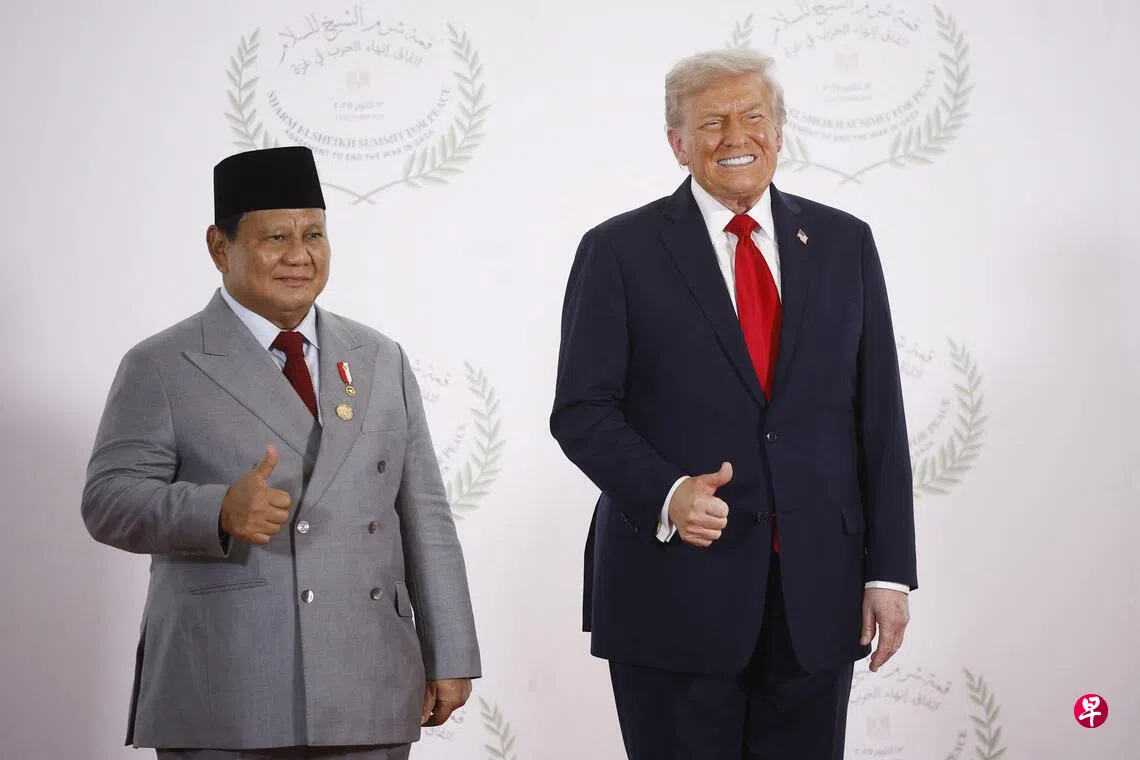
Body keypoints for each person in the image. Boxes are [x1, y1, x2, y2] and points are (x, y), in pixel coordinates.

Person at [549, 50, 917, 759]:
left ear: (779, 131)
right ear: (677, 143)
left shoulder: (844, 242)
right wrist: (668, 492)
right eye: (711, 123)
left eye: (752, 117)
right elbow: (581, 410)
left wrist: (888, 572)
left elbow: (879, 418)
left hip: (819, 595)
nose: (735, 137)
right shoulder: (618, 250)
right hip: (673, 595)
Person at [82, 146, 480, 759]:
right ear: (219, 247)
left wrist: (450, 652)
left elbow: (424, 511)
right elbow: (108, 501)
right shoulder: (162, 363)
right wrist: (217, 510)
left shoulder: (379, 357)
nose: (300, 255)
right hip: (228, 682)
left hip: (369, 676)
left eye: (314, 234)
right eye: (276, 238)